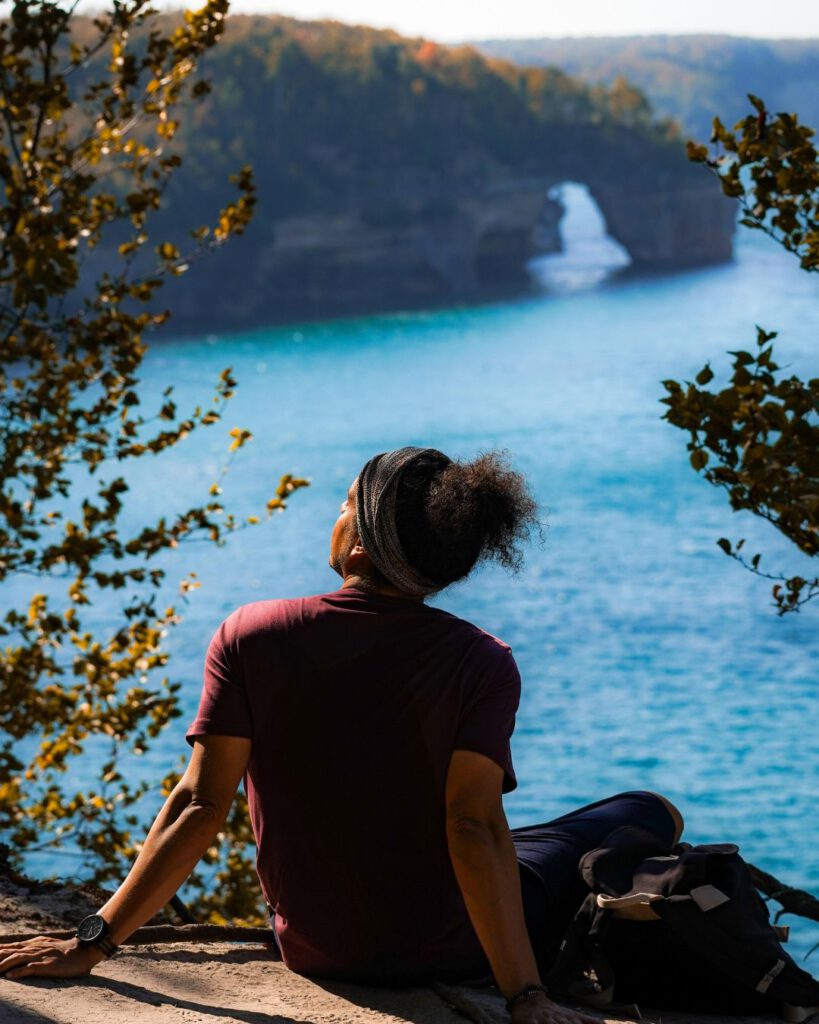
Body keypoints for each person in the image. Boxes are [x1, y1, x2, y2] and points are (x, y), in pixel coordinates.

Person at [0, 446, 683, 1024]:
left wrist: (92, 942)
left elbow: (198, 807)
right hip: (450, 951)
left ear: (359, 540)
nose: (333, 517)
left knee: (538, 840)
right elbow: (471, 828)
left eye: (341, 504)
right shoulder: (480, 660)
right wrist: (524, 996)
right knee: (638, 814)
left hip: (318, 950)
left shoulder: (251, 635)